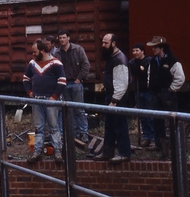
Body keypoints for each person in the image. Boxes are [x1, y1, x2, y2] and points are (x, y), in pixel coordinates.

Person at [23, 39, 66, 164]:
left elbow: (62, 80)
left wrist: (54, 96)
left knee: (54, 127)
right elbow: (25, 78)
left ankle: (58, 152)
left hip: (50, 100)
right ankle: (37, 152)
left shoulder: (56, 63)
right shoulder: (32, 63)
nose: (33, 54)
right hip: (37, 99)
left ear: (42, 50)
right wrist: (29, 92)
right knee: (39, 127)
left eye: (35, 52)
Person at [147, 36, 186, 159]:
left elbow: (180, 78)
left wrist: (170, 90)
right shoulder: (153, 62)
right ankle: (163, 149)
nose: (153, 50)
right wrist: (151, 87)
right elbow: (149, 75)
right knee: (157, 121)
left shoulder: (173, 61)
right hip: (156, 95)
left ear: (162, 48)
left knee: (172, 121)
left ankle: (175, 149)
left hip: (167, 95)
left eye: (155, 47)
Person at [95, 33, 131, 163]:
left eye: (106, 43)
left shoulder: (119, 59)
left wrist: (114, 101)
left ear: (113, 43)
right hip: (111, 95)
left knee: (120, 125)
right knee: (109, 126)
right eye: (103, 42)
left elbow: (122, 83)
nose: (103, 45)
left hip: (117, 98)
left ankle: (124, 153)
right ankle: (108, 152)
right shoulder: (112, 57)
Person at [54, 29, 91, 144]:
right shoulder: (57, 53)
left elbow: (86, 65)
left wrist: (79, 78)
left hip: (75, 83)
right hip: (64, 84)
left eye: (64, 37)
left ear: (69, 38)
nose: (62, 40)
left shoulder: (78, 49)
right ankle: (74, 133)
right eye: (60, 38)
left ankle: (84, 133)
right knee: (70, 110)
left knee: (79, 109)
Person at [129, 43, 155, 148]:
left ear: (142, 51)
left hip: (147, 91)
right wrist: (139, 70)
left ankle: (153, 138)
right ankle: (146, 137)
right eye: (133, 51)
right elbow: (135, 72)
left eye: (137, 50)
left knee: (149, 115)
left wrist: (140, 70)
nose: (135, 53)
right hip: (138, 91)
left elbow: (144, 73)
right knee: (142, 116)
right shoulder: (132, 62)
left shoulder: (148, 61)